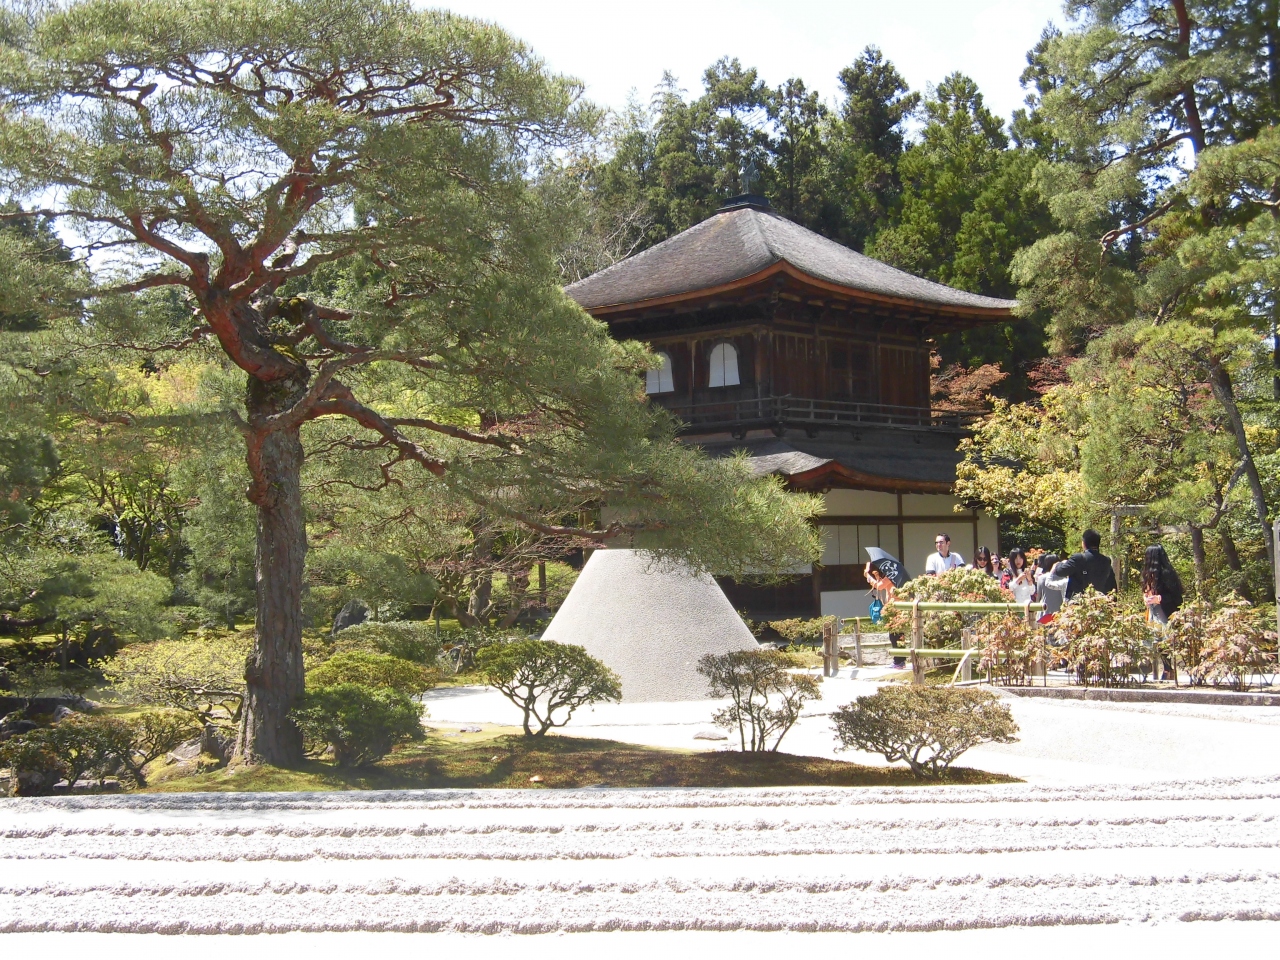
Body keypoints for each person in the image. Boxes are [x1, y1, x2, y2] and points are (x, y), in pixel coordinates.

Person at [1044, 529, 1117, 600]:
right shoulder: (1106, 560)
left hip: (1078, 603)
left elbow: (1060, 571)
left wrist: (1059, 564)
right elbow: (1112, 585)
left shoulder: (1078, 558)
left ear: (1084, 543)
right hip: (1098, 603)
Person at [1141, 544, 1184, 625]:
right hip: (1151, 611)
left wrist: (1159, 598)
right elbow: (1145, 591)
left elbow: (1177, 596)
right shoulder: (1147, 574)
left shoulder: (1166, 574)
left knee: (1164, 635)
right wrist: (1145, 598)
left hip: (1166, 612)